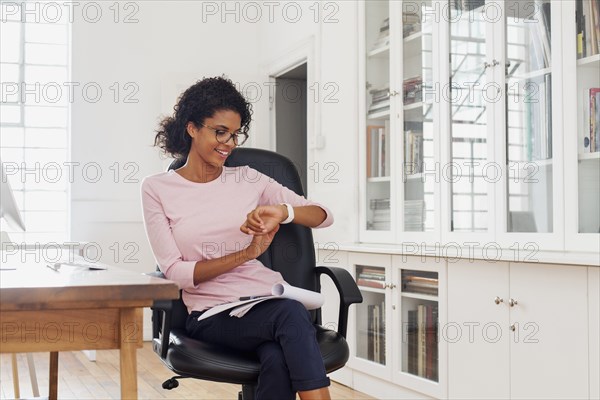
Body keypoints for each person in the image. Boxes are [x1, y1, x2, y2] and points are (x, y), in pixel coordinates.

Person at [141, 76, 334, 400]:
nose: (229, 143)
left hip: (265, 301)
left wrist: (283, 212)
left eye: (235, 134)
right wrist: (246, 253)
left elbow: (323, 215)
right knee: (290, 314)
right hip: (211, 313)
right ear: (192, 128)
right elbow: (176, 273)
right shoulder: (157, 189)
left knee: (276, 356)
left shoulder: (249, 179)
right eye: (220, 132)